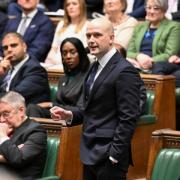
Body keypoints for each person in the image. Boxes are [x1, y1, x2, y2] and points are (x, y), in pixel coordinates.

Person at [50, 17, 145, 180]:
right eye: (88, 36)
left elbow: (128, 117)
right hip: (89, 150)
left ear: (112, 38)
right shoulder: (94, 66)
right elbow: (90, 109)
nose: (91, 40)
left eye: (97, 35)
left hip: (109, 155)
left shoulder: (124, 71)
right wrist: (70, 115)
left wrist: (115, 154)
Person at [27, 37, 90, 118]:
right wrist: (53, 106)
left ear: (81, 54)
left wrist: (51, 104)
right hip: (59, 116)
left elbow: (81, 109)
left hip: (75, 118)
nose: (68, 56)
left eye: (72, 52)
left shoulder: (88, 76)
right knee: (31, 108)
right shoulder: (63, 78)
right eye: (64, 53)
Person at [0, 91, 47, 179]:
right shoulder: (6, 128)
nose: (2, 120)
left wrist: (2, 137)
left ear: (21, 110)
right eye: (0, 115)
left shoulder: (36, 131)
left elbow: (18, 159)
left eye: (5, 114)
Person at [127, 0, 180, 73]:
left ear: (164, 10)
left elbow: (169, 54)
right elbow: (129, 52)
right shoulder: (139, 27)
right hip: (137, 63)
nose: (151, 11)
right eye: (148, 8)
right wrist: (138, 56)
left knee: (157, 68)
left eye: (156, 8)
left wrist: (149, 60)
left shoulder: (174, 27)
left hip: (157, 64)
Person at [0, 32, 50, 105]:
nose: (9, 50)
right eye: (5, 48)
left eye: (14, 45)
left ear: (24, 47)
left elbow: (13, 97)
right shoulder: (5, 68)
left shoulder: (35, 70)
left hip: (27, 114)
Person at [45, 0, 88, 65]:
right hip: (56, 62)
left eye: (74, 4)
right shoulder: (61, 24)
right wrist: (49, 62)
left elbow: (84, 52)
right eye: (68, 5)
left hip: (75, 64)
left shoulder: (87, 25)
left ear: (82, 7)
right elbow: (53, 48)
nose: (71, 7)